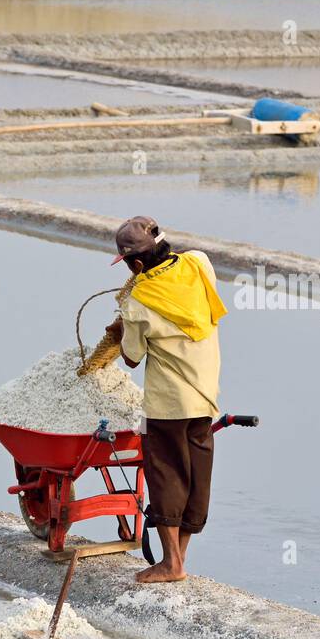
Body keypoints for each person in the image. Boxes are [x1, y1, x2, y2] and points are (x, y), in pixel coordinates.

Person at [102, 216, 226, 584]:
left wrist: (122, 327)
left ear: (136, 264)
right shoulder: (199, 263)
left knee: (168, 474)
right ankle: (179, 558)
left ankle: (172, 564)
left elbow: (131, 356)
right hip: (205, 395)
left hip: (169, 403)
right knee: (196, 475)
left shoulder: (139, 300)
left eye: (127, 264)